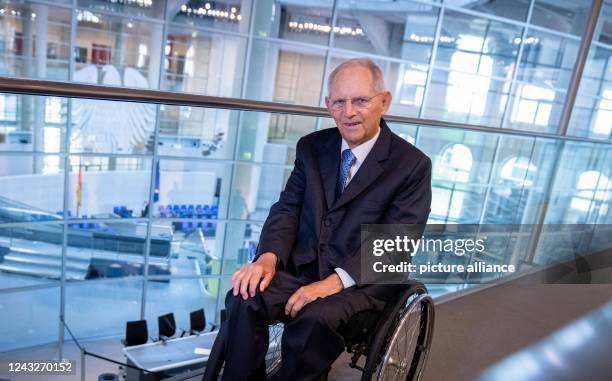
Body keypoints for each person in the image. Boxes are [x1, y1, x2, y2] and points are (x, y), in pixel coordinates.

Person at [203, 58, 432, 381]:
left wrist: (331, 284)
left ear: (384, 101)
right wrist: (267, 258)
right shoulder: (311, 148)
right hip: (303, 270)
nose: (349, 111)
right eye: (339, 101)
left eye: (361, 100)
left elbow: (395, 243)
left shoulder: (411, 166)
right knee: (245, 294)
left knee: (316, 317)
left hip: (359, 285)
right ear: (328, 105)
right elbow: (288, 209)